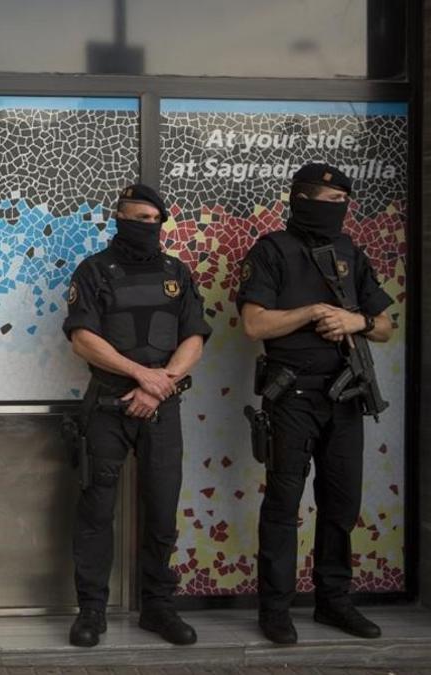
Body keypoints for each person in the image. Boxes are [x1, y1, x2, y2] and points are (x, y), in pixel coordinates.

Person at [237, 163, 393, 645]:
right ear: (298, 199)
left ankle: (334, 602)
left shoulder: (350, 252)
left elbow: (386, 325)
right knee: (283, 505)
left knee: (341, 503)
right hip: (292, 396)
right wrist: (310, 312)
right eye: (322, 199)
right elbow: (254, 325)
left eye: (339, 201)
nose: (332, 209)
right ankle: (276, 609)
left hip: (346, 394)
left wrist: (355, 323)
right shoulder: (271, 252)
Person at [62, 184, 211, 647]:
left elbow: (195, 337)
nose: (145, 225)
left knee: (162, 510)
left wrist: (160, 383)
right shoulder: (93, 271)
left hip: (162, 408)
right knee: (96, 511)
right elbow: (82, 337)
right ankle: (91, 611)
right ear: (118, 216)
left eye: (153, 218)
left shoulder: (176, 272)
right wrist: (140, 376)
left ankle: (158, 608)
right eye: (136, 216)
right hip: (108, 406)